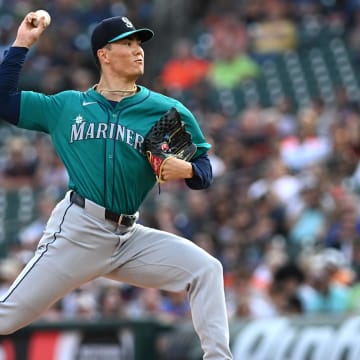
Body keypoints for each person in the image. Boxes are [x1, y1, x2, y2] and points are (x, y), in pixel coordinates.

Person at [0, 12, 233, 360]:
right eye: (127, 43)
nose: (138, 50)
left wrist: (185, 169)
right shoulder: (67, 106)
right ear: (103, 55)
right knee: (6, 318)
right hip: (78, 231)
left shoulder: (165, 110)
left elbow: (204, 171)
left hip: (129, 236)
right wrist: (22, 44)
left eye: (139, 43)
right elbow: (5, 100)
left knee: (206, 269)